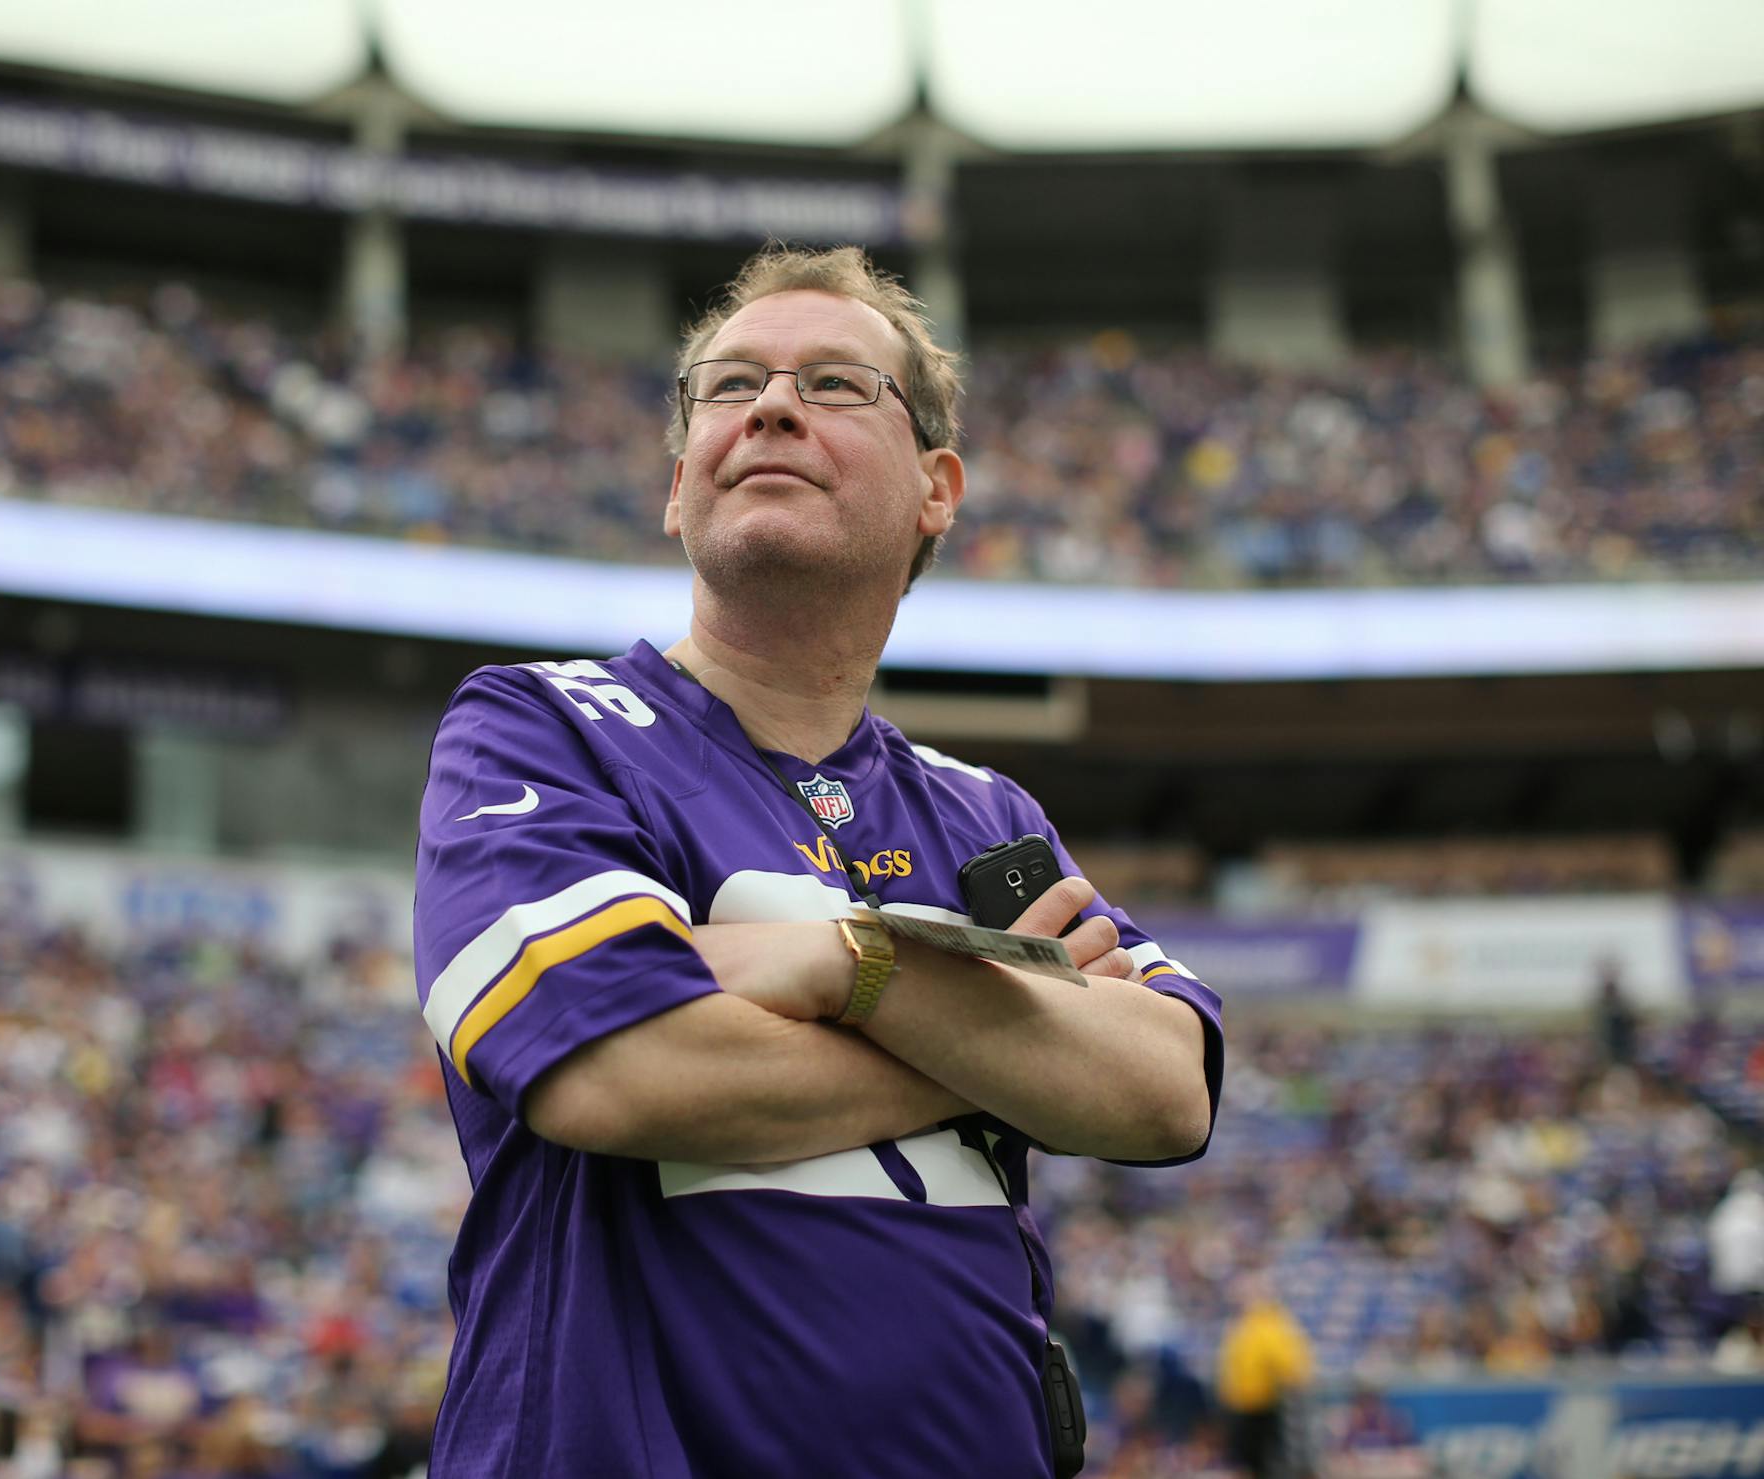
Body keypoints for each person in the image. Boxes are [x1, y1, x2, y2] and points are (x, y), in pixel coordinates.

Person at [413, 245, 1223, 1476]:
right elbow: (622, 1071)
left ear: (936, 489)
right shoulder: (541, 726)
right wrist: (1008, 1047)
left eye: (837, 385)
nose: (772, 405)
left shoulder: (985, 812)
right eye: (730, 387)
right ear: (679, 485)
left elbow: (1170, 1089)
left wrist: (841, 967)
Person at [1216, 1272, 1316, 1479]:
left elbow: (1291, 1368)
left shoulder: (1270, 1324)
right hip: (1245, 1406)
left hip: (1266, 1406)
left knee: (1268, 1463)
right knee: (1252, 1463)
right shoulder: (1244, 1325)